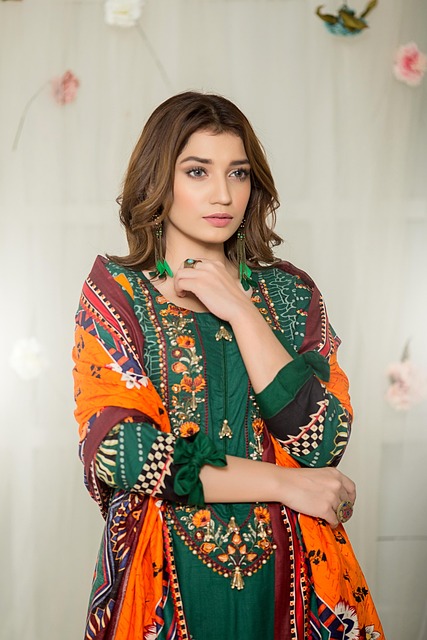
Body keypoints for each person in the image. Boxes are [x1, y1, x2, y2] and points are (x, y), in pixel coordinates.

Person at [73, 91, 385, 639]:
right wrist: (285, 485)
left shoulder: (289, 294)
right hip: (162, 584)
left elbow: (322, 444)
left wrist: (242, 310)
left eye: (238, 173)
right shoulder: (118, 294)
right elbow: (120, 452)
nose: (223, 194)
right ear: (158, 181)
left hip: (294, 584)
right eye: (197, 171)